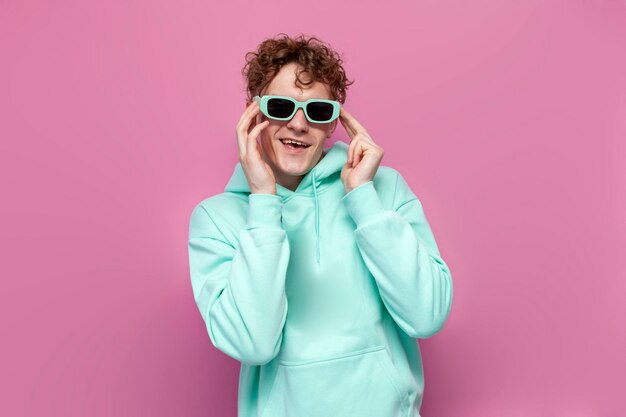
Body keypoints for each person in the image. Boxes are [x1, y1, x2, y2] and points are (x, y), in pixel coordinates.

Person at [188, 33, 453, 417]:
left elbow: (427, 315)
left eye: (317, 111)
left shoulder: (383, 191)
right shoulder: (217, 218)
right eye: (280, 107)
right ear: (254, 113)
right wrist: (263, 203)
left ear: (333, 124)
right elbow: (253, 344)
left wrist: (362, 197)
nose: (298, 124)